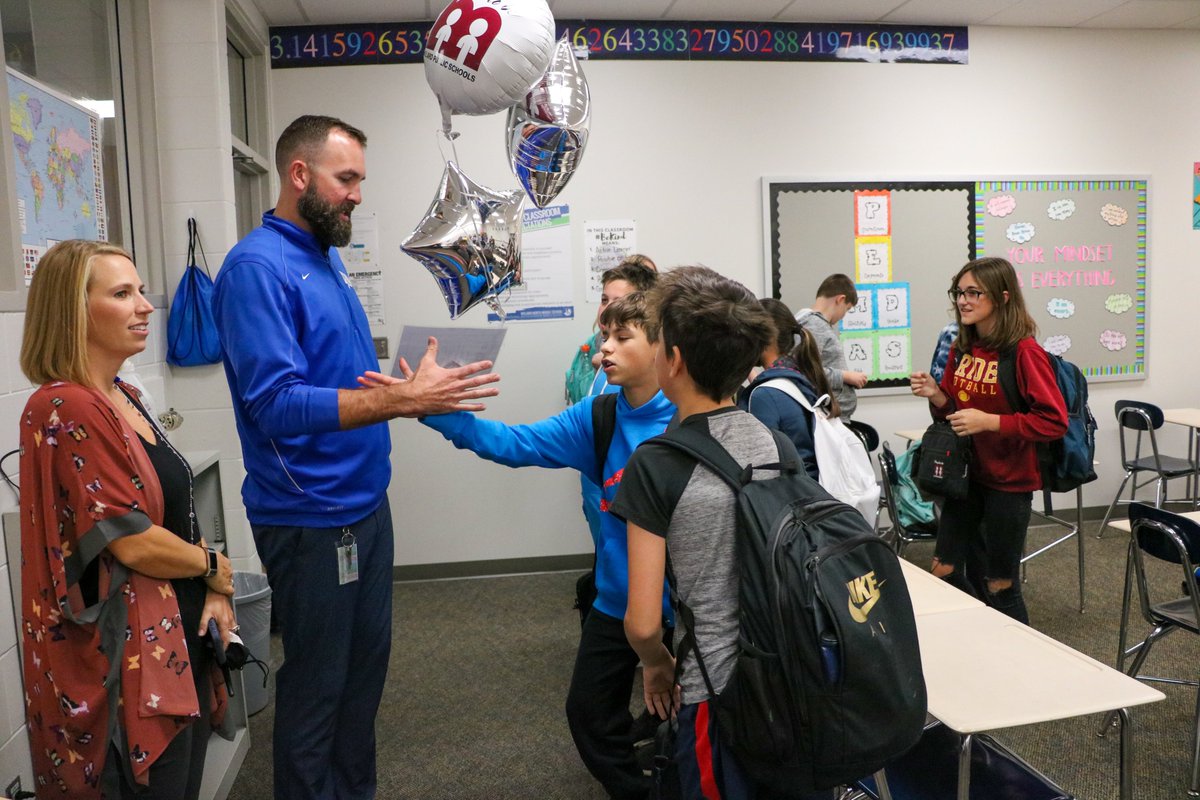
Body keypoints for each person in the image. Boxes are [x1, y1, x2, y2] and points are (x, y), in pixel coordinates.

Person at [211, 114, 500, 800]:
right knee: (318, 690)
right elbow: (274, 404)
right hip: (310, 518)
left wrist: (406, 386)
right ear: (299, 174)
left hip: (364, 506)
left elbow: (334, 378)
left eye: (360, 180)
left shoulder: (326, 258)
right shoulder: (256, 268)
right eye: (346, 179)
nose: (357, 195)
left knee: (362, 683)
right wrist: (396, 402)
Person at [420, 293, 675, 800]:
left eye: (622, 338)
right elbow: (514, 443)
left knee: (697, 724)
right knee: (589, 715)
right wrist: (434, 408)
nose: (604, 349)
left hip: (687, 609)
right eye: (605, 336)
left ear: (662, 348)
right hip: (617, 600)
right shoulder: (598, 417)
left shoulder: (687, 417)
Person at [18, 240, 237, 799]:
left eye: (140, 290)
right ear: (74, 312)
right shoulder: (67, 405)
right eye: (121, 294)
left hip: (174, 634)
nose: (144, 305)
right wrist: (214, 567)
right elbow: (132, 540)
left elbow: (175, 513)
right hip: (126, 658)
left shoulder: (123, 394)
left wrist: (213, 589)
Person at [612, 266, 831, 800]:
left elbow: (642, 623)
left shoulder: (656, 464)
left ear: (673, 360)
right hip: (789, 672)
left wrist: (657, 666)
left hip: (715, 688)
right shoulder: (774, 442)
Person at [909, 257, 1067, 623]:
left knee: (1001, 586)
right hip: (966, 479)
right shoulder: (963, 348)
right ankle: (983, 627)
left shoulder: (1025, 353)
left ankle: (1018, 647)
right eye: (959, 292)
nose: (963, 301)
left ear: (1002, 297)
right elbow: (952, 413)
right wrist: (936, 395)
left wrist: (990, 422)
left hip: (1009, 484)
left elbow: (1053, 421)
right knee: (943, 571)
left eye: (973, 293)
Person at [738, 297, 839, 481]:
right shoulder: (800, 376)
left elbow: (761, 471)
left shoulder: (763, 396)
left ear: (766, 338)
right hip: (814, 488)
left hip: (789, 493)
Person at [795, 273, 868, 420]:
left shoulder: (817, 324)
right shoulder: (815, 325)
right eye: (847, 309)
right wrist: (845, 376)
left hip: (831, 417)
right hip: (826, 418)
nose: (844, 315)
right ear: (840, 299)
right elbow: (804, 370)